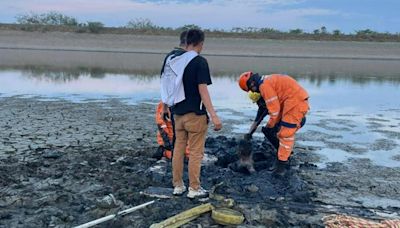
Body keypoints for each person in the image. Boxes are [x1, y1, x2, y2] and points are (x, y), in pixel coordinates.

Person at [161, 29, 222, 198]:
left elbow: (167, 84)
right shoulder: (199, 61)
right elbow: (203, 90)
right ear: (200, 43)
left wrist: (165, 107)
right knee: (196, 152)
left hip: (177, 114)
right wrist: (214, 116)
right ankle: (194, 188)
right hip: (195, 115)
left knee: (178, 149)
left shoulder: (171, 59)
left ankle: (178, 186)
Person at [238, 72, 309, 177]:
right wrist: (250, 133)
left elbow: (274, 112)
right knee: (272, 131)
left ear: (252, 84)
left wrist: (269, 126)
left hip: (294, 104)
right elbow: (260, 117)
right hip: (290, 103)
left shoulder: (264, 87)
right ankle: (282, 157)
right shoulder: (265, 83)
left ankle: (281, 167)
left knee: (285, 134)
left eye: (251, 90)